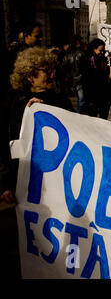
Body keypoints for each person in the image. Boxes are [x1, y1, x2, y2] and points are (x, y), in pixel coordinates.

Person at [1, 46, 74, 204]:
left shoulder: (60, 100)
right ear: (29, 75)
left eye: (53, 70)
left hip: (56, 182)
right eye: (46, 71)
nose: (52, 75)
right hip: (20, 182)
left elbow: (76, 132)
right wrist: (4, 184)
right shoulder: (14, 102)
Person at [62, 35, 88, 114]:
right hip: (79, 78)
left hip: (70, 79)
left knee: (76, 99)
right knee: (81, 99)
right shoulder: (81, 53)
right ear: (78, 42)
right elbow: (85, 67)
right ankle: (77, 114)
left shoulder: (67, 54)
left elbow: (63, 66)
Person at [85, 38, 110, 119]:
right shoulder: (89, 61)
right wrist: (90, 99)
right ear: (94, 49)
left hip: (104, 94)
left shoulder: (103, 60)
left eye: (104, 50)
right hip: (93, 95)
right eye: (101, 50)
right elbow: (88, 81)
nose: (102, 52)